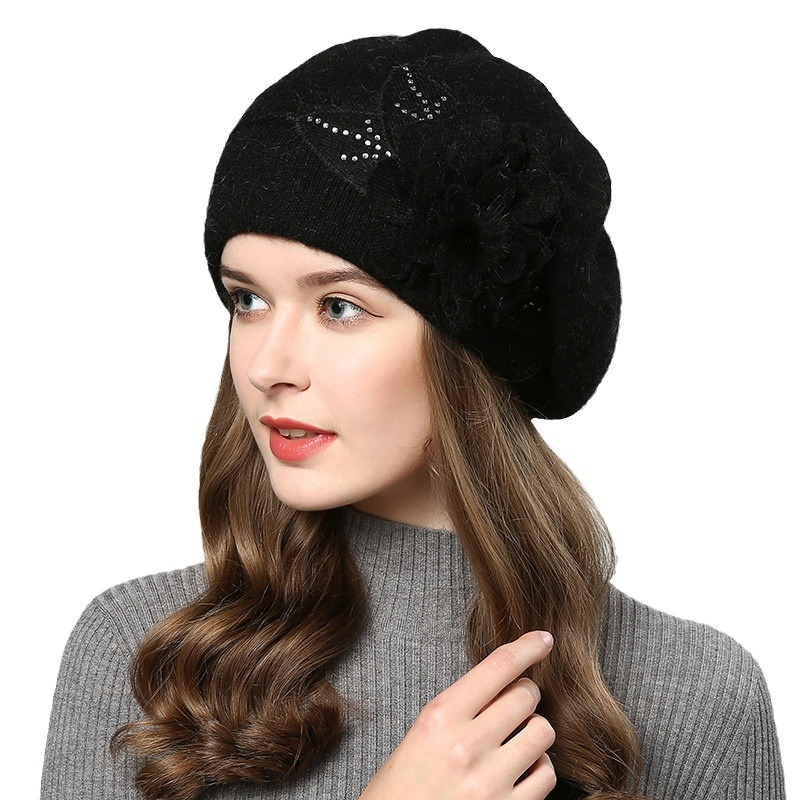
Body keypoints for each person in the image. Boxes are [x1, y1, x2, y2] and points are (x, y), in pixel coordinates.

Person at [40, 28, 785, 800]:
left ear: (470, 348)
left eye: (338, 306)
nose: (265, 366)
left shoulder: (695, 697)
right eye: (248, 299)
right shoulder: (146, 660)